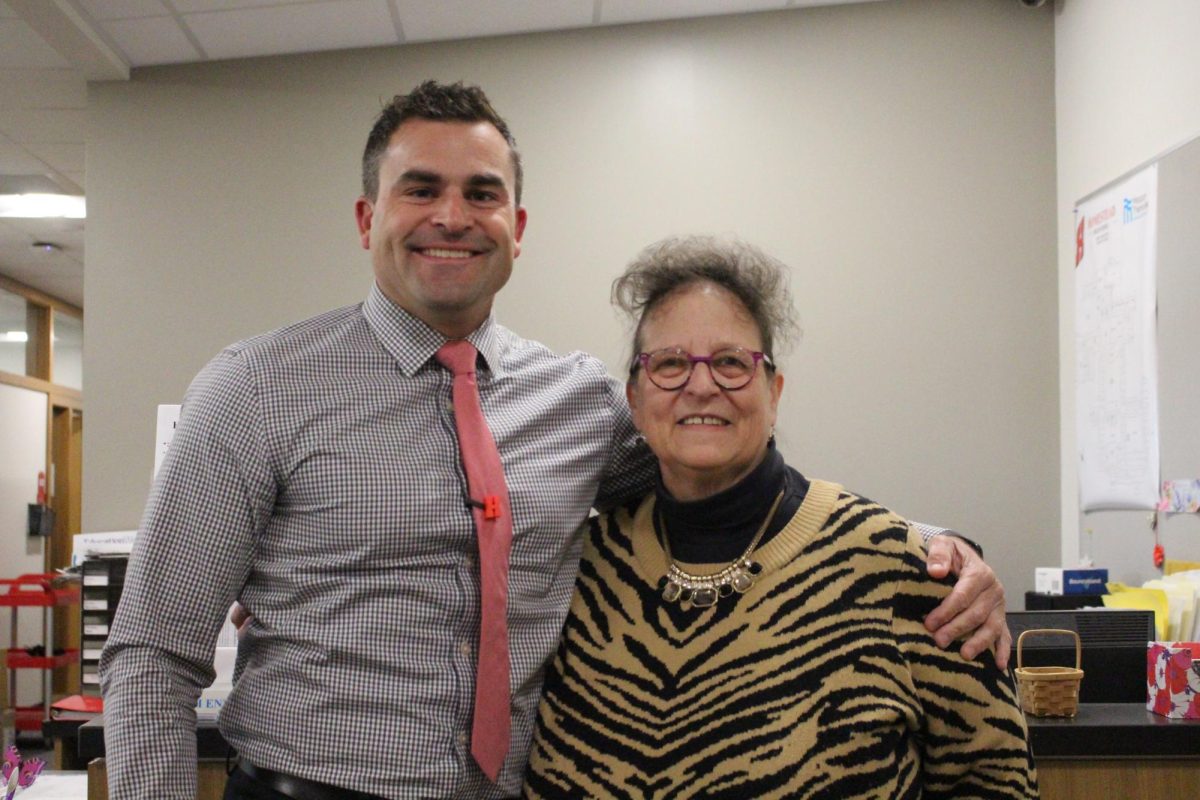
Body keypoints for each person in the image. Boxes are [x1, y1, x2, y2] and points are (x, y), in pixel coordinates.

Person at [100, 81, 1010, 800]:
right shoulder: (255, 388)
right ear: (366, 217)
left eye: (481, 193)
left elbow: (721, 469)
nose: (451, 215)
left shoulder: (579, 403)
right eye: (420, 188)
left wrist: (934, 551)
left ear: (518, 229)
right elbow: (153, 655)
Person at [523, 237, 1037, 799]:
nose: (701, 385)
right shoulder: (580, 567)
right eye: (670, 363)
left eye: (730, 363)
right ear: (636, 400)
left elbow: (996, 781)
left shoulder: (898, 569)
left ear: (774, 393)